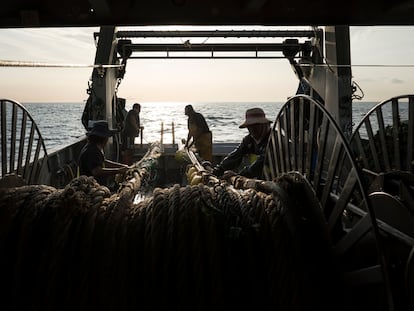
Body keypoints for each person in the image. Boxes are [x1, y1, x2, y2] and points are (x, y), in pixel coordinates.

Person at [213, 107, 272, 179]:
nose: (252, 129)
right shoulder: (248, 140)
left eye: (256, 126)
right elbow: (234, 157)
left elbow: (259, 164)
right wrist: (218, 170)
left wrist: (239, 176)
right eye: (249, 126)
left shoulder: (274, 140)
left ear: (265, 125)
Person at [78, 120, 130, 187]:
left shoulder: (93, 147)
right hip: (91, 188)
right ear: (104, 138)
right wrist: (119, 170)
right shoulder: (92, 151)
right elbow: (97, 171)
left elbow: (103, 162)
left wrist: (121, 166)